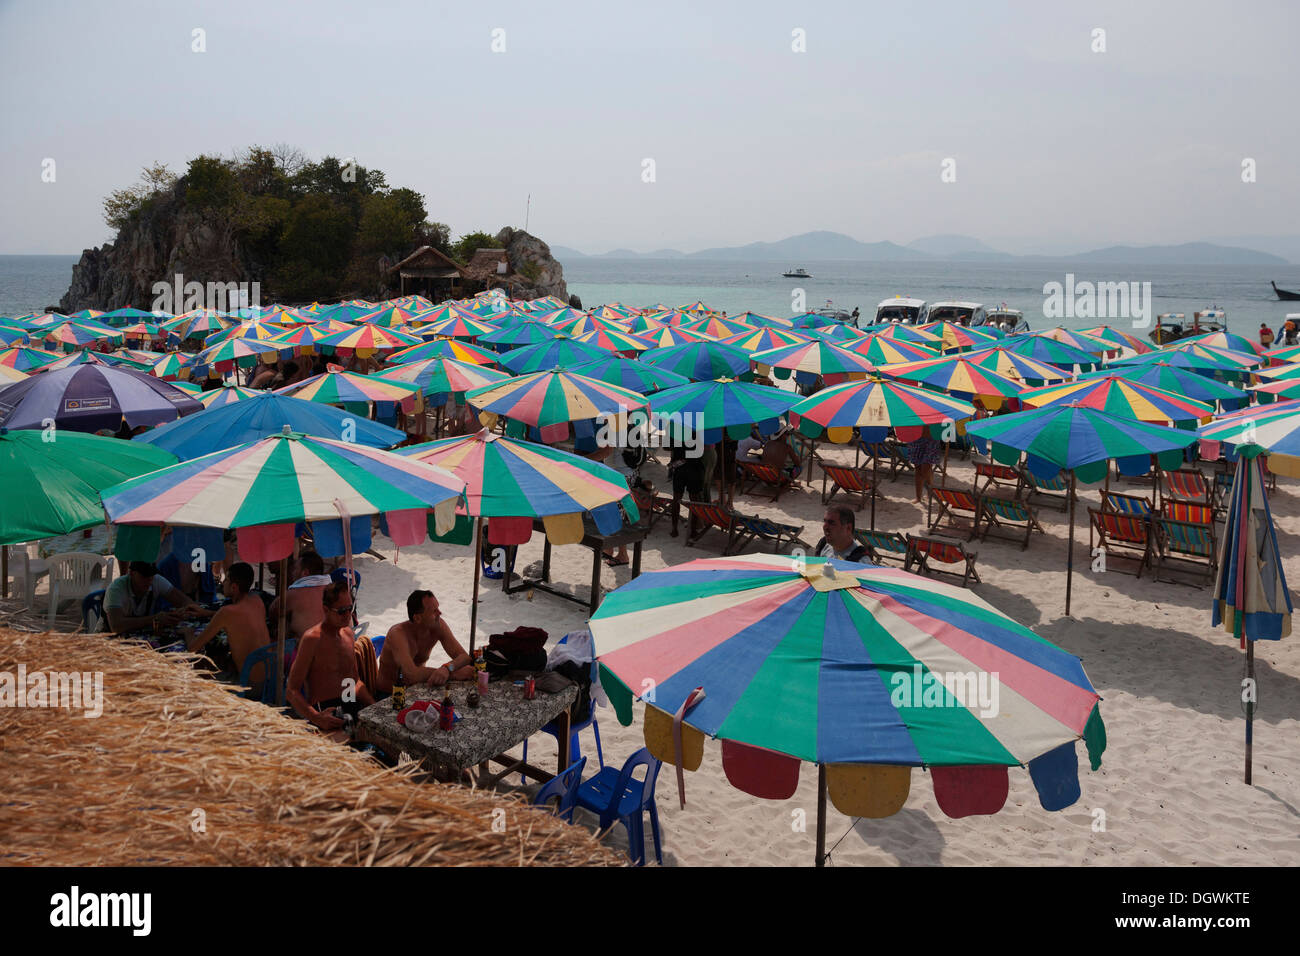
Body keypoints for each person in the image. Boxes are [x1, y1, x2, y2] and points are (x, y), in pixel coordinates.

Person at [286, 579, 375, 739]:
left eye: (350, 608)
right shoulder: (312, 639)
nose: (348, 615)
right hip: (326, 712)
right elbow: (291, 690)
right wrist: (316, 717)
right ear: (326, 610)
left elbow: (353, 681)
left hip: (350, 704)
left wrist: (373, 706)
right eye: (341, 611)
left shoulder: (348, 634)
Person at [373, 590, 474, 696]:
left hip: (417, 688)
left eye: (438, 608)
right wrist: (454, 674)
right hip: (389, 694)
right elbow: (411, 675)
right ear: (417, 618)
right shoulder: (397, 634)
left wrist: (448, 668)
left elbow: (464, 657)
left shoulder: (438, 625)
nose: (439, 613)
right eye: (434, 611)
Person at [187, 562, 269, 685]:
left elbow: (192, 648)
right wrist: (207, 613)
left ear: (234, 587)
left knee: (197, 669)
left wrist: (188, 632)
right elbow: (239, 618)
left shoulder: (226, 612)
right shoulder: (257, 601)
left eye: (226, 580)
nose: (223, 583)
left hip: (249, 686)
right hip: (269, 679)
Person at [104, 561, 212, 635]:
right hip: (109, 637)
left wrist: (183, 611)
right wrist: (154, 619)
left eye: (151, 575)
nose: (149, 580)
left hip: (140, 634)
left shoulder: (156, 580)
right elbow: (116, 626)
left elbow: (184, 601)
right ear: (131, 573)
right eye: (144, 576)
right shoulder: (116, 588)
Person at [270, 550, 331, 640]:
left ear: (305, 573)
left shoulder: (294, 594)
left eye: (295, 569)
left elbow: (272, 612)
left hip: (308, 649)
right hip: (335, 646)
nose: (292, 573)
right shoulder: (332, 588)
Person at [668, 445, 707, 537]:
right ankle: (693, 530)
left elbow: (667, 447)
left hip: (680, 467)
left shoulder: (677, 433)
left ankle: (674, 529)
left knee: (676, 499)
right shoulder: (698, 432)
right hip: (694, 467)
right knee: (694, 500)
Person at [905, 432, 944, 503]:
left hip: (931, 440)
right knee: (918, 469)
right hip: (916, 438)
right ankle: (918, 497)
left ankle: (930, 492)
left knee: (925, 469)